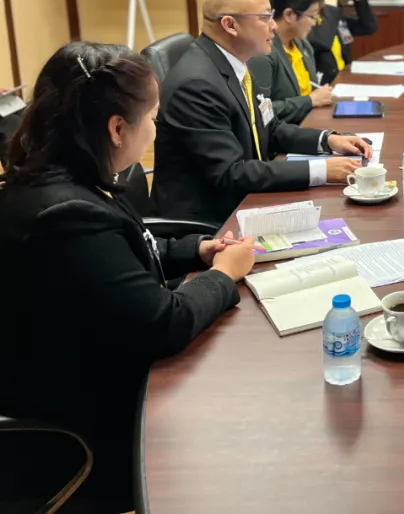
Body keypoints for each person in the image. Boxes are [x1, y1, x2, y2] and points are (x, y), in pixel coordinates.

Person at [0, 42, 258, 512]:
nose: (156, 131)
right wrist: (224, 275)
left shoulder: (70, 173)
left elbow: (123, 252)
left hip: (94, 359)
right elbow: (163, 323)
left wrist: (196, 250)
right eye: (153, 118)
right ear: (117, 128)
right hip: (87, 421)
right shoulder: (67, 214)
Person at [152, 0, 371, 226]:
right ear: (230, 25)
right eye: (264, 17)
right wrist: (322, 170)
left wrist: (328, 140)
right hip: (212, 223)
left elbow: (269, 127)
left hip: (244, 199)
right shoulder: (196, 85)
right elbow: (231, 173)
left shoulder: (234, 63)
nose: (274, 26)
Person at [249, 0, 332, 124]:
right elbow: (260, 112)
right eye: (312, 16)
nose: (315, 23)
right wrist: (309, 101)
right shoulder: (262, 53)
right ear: (289, 15)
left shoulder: (303, 46)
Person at [298, 0, 379, 84]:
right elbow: (322, 41)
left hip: (344, 80)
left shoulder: (335, 16)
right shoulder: (303, 20)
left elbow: (369, 26)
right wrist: (329, 3)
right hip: (323, 86)